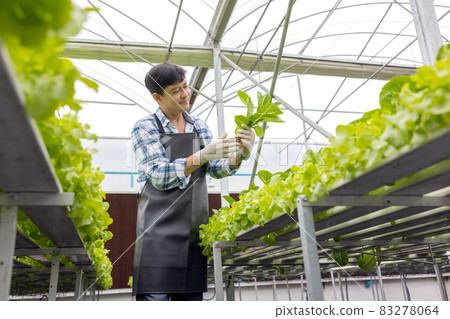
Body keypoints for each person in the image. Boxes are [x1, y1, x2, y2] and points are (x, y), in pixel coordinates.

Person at [131, 62, 255, 301]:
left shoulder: (199, 126)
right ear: (157, 97)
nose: (185, 94)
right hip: (157, 236)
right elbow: (158, 174)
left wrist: (241, 153)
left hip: (192, 235)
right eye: (176, 90)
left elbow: (216, 170)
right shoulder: (145, 127)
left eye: (186, 86)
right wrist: (202, 155)